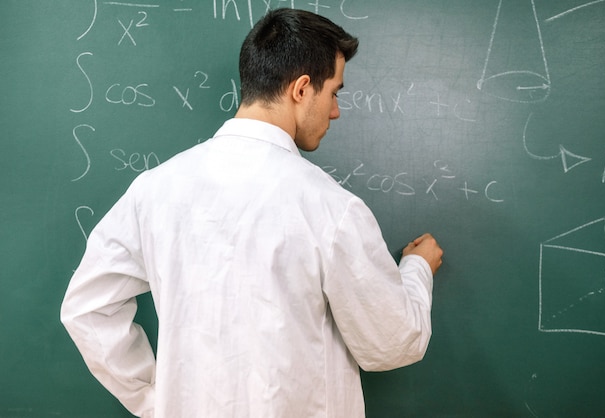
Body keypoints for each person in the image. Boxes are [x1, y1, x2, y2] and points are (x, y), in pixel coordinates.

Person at [60, 8, 443, 418]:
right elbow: (391, 342)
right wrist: (417, 269)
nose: (335, 111)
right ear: (301, 89)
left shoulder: (154, 190)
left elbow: (87, 308)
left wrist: (159, 401)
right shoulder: (331, 208)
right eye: (334, 92)